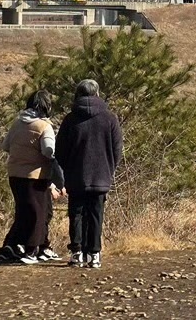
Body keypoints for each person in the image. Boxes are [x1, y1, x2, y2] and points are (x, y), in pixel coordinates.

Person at [55, 79, 123, 269]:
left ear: (77, 94)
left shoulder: (70, 119)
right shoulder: (110, 118)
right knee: (96, 214)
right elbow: (117, 149)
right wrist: (109, 169)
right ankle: (94, 254)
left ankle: (77, 253)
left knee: (76, 213)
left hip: (76, 176)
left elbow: (60, 151)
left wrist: (66, 171)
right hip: (101, 175)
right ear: (97, 93)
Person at [0, 90, 58, 264]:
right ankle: (31, 250)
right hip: (36, 177)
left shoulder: (18, 123)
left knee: (24, 212)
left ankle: (11, 246)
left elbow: (6, 146)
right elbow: (48, 151)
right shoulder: (44, 126)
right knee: (38, 214)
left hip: (15, 174)